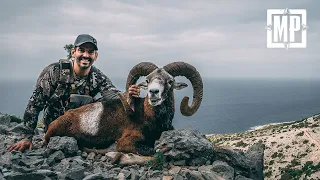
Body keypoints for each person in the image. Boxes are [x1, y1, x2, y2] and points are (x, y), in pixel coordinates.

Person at [7, 34, 140, 152]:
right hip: (56, 129)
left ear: (95, 56)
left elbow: (112, 94)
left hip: (82, 129)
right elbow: (35, 104)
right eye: (81, 50)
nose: (86, 55)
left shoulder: (97, 77)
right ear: (73, 52)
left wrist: (128, 94)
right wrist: (26, 138)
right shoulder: (54, 72)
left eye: (90, 52)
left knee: (105, 105)